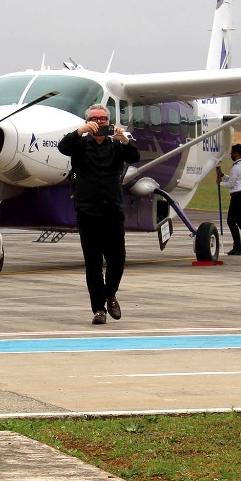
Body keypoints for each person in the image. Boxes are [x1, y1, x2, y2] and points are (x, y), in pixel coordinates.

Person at [57, 104, 140, 325]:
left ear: (109, 121)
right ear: (87, 121)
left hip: (112, 209)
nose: (99, 122)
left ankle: (110, 293)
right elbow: (62, 147)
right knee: (92, 262)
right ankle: (99, 309)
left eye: (103, 119)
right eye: (94, 119)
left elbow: (134, 156)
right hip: (87, 210)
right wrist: (80, 131)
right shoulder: (79, 143)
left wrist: (124, 140)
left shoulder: (116, 144)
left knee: (117, 257)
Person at [216, 143, 241, 255]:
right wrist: (223, 175)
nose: (231, 154)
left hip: (237, 196)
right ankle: (239, 247)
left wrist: (220, 184)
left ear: (237, 153)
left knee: (235, 221)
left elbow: (231, 184)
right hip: (240, 195)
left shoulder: (237, 167)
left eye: (232, 152)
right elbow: (234, 179)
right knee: (236, 221)